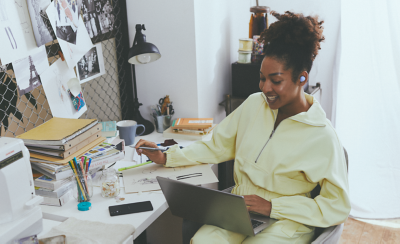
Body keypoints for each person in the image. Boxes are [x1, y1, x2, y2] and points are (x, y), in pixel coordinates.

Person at [135, 11, 350, 244]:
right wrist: (167, 156)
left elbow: (336, 206)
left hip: (289, 220)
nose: (266, 88)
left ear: (301, 78)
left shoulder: (322, 136)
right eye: (262, 78)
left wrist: (273, 206)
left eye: (276, 80)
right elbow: (216, 146)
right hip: (240, 209)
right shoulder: (253, 105)